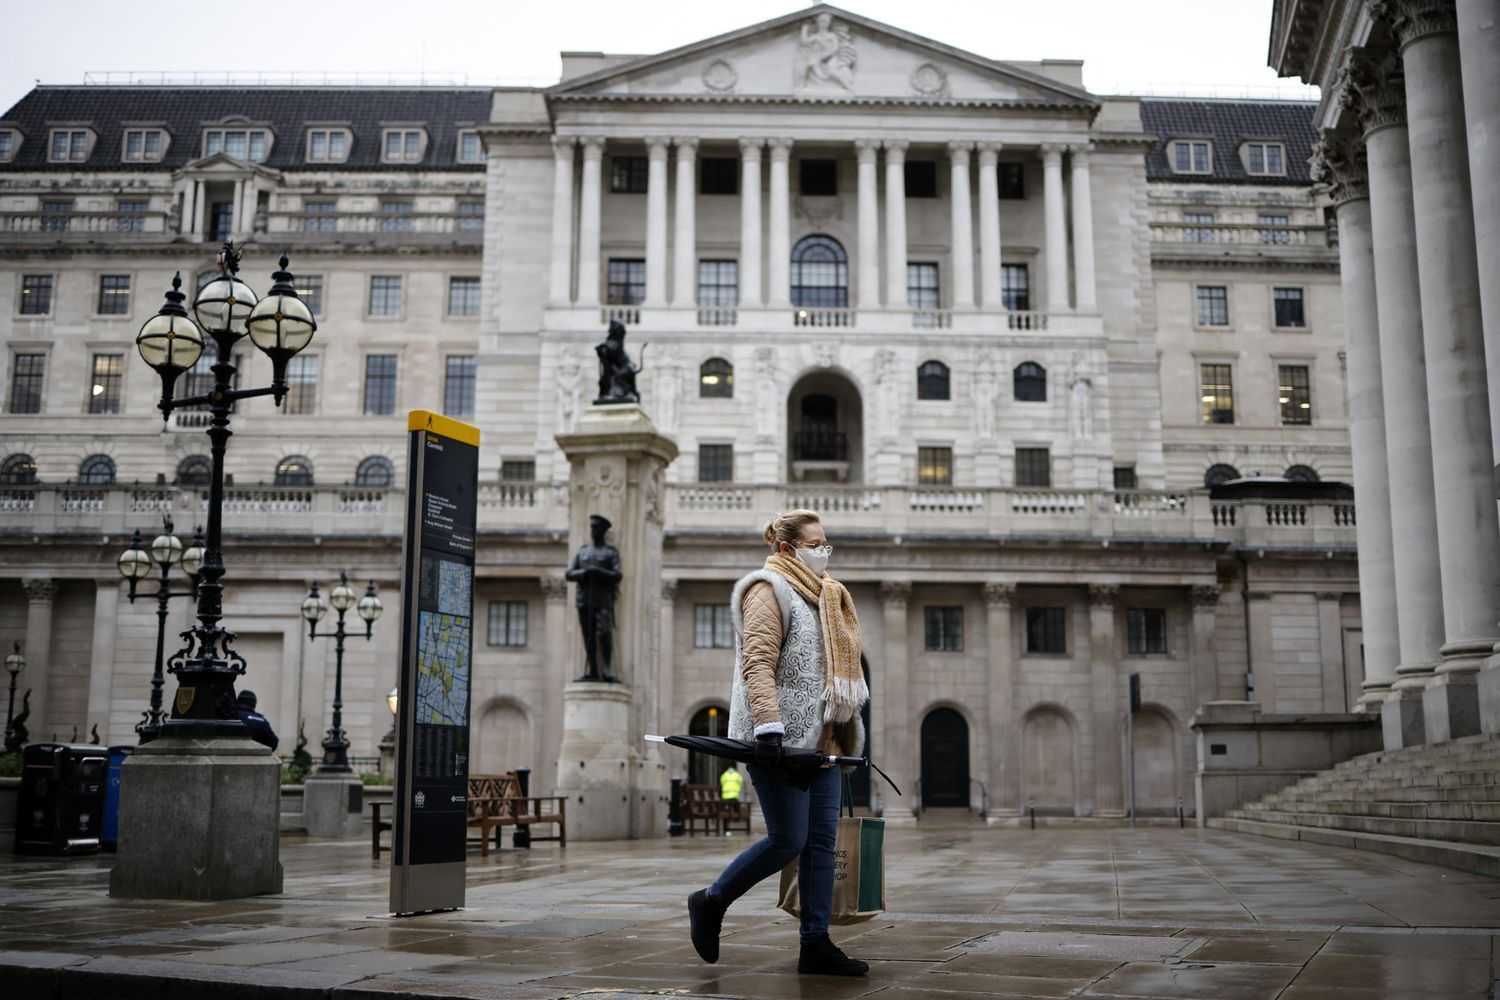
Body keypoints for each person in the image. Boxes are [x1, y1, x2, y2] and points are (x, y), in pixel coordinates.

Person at [687, 509, 870, 976]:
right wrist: (768, 726)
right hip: (780, 743)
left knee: (821, 846)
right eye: (815, 543)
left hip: (825, 742)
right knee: (788, 840)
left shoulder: (828, 598)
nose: (823, 551)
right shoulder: (767, 590)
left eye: (826, 543)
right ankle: (710, 901)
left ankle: (815, 942)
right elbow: (757, 663)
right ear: (787, 548)